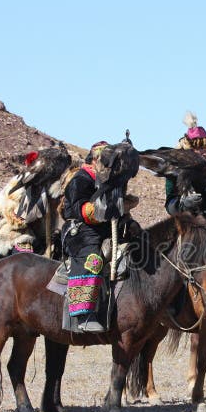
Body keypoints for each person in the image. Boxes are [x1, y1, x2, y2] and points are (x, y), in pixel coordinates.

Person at [61, 141, 138, 332]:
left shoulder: (110, 181)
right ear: (95, 160)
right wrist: (105, 208)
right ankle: (83, 314)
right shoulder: (80, 179)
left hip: (105, 227)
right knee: (93, 259)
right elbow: (80, 210)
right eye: (105, 162)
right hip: (80, 229)